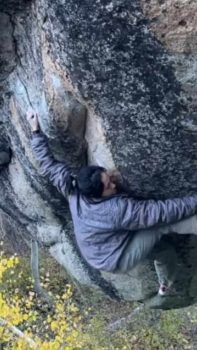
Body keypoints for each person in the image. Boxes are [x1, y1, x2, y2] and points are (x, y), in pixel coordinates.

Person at [28, 111, 197, 296]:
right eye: (109, 186)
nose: (114, 184)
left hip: (101, 246)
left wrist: (35, 131)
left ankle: (166, 286)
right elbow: (161, 213)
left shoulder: (73, 188)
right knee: (158, 227)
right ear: (98, 195)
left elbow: (48, 165)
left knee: (161, 249)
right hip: (114, 257)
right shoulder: (113, 211)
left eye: (108, 178)